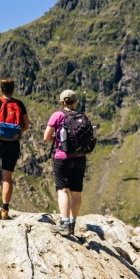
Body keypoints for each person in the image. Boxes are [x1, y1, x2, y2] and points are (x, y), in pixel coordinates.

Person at [0, 78, 30, 219]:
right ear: (13, 90)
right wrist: (16, 134)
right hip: (14, 143)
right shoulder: (19, 104)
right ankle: (5, 210)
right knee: (7, 176)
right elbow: (26, 126)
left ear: (1, 89)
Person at [44, 89, 87, 236]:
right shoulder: (82, 117)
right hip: (80, 157)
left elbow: (47, 137)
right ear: (75, 102)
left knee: (63, 190)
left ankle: (64, 224)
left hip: (63, 157)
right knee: (76, 192)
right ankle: (73, 223)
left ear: (62, 102)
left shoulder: (58, 115)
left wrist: (58, 140)